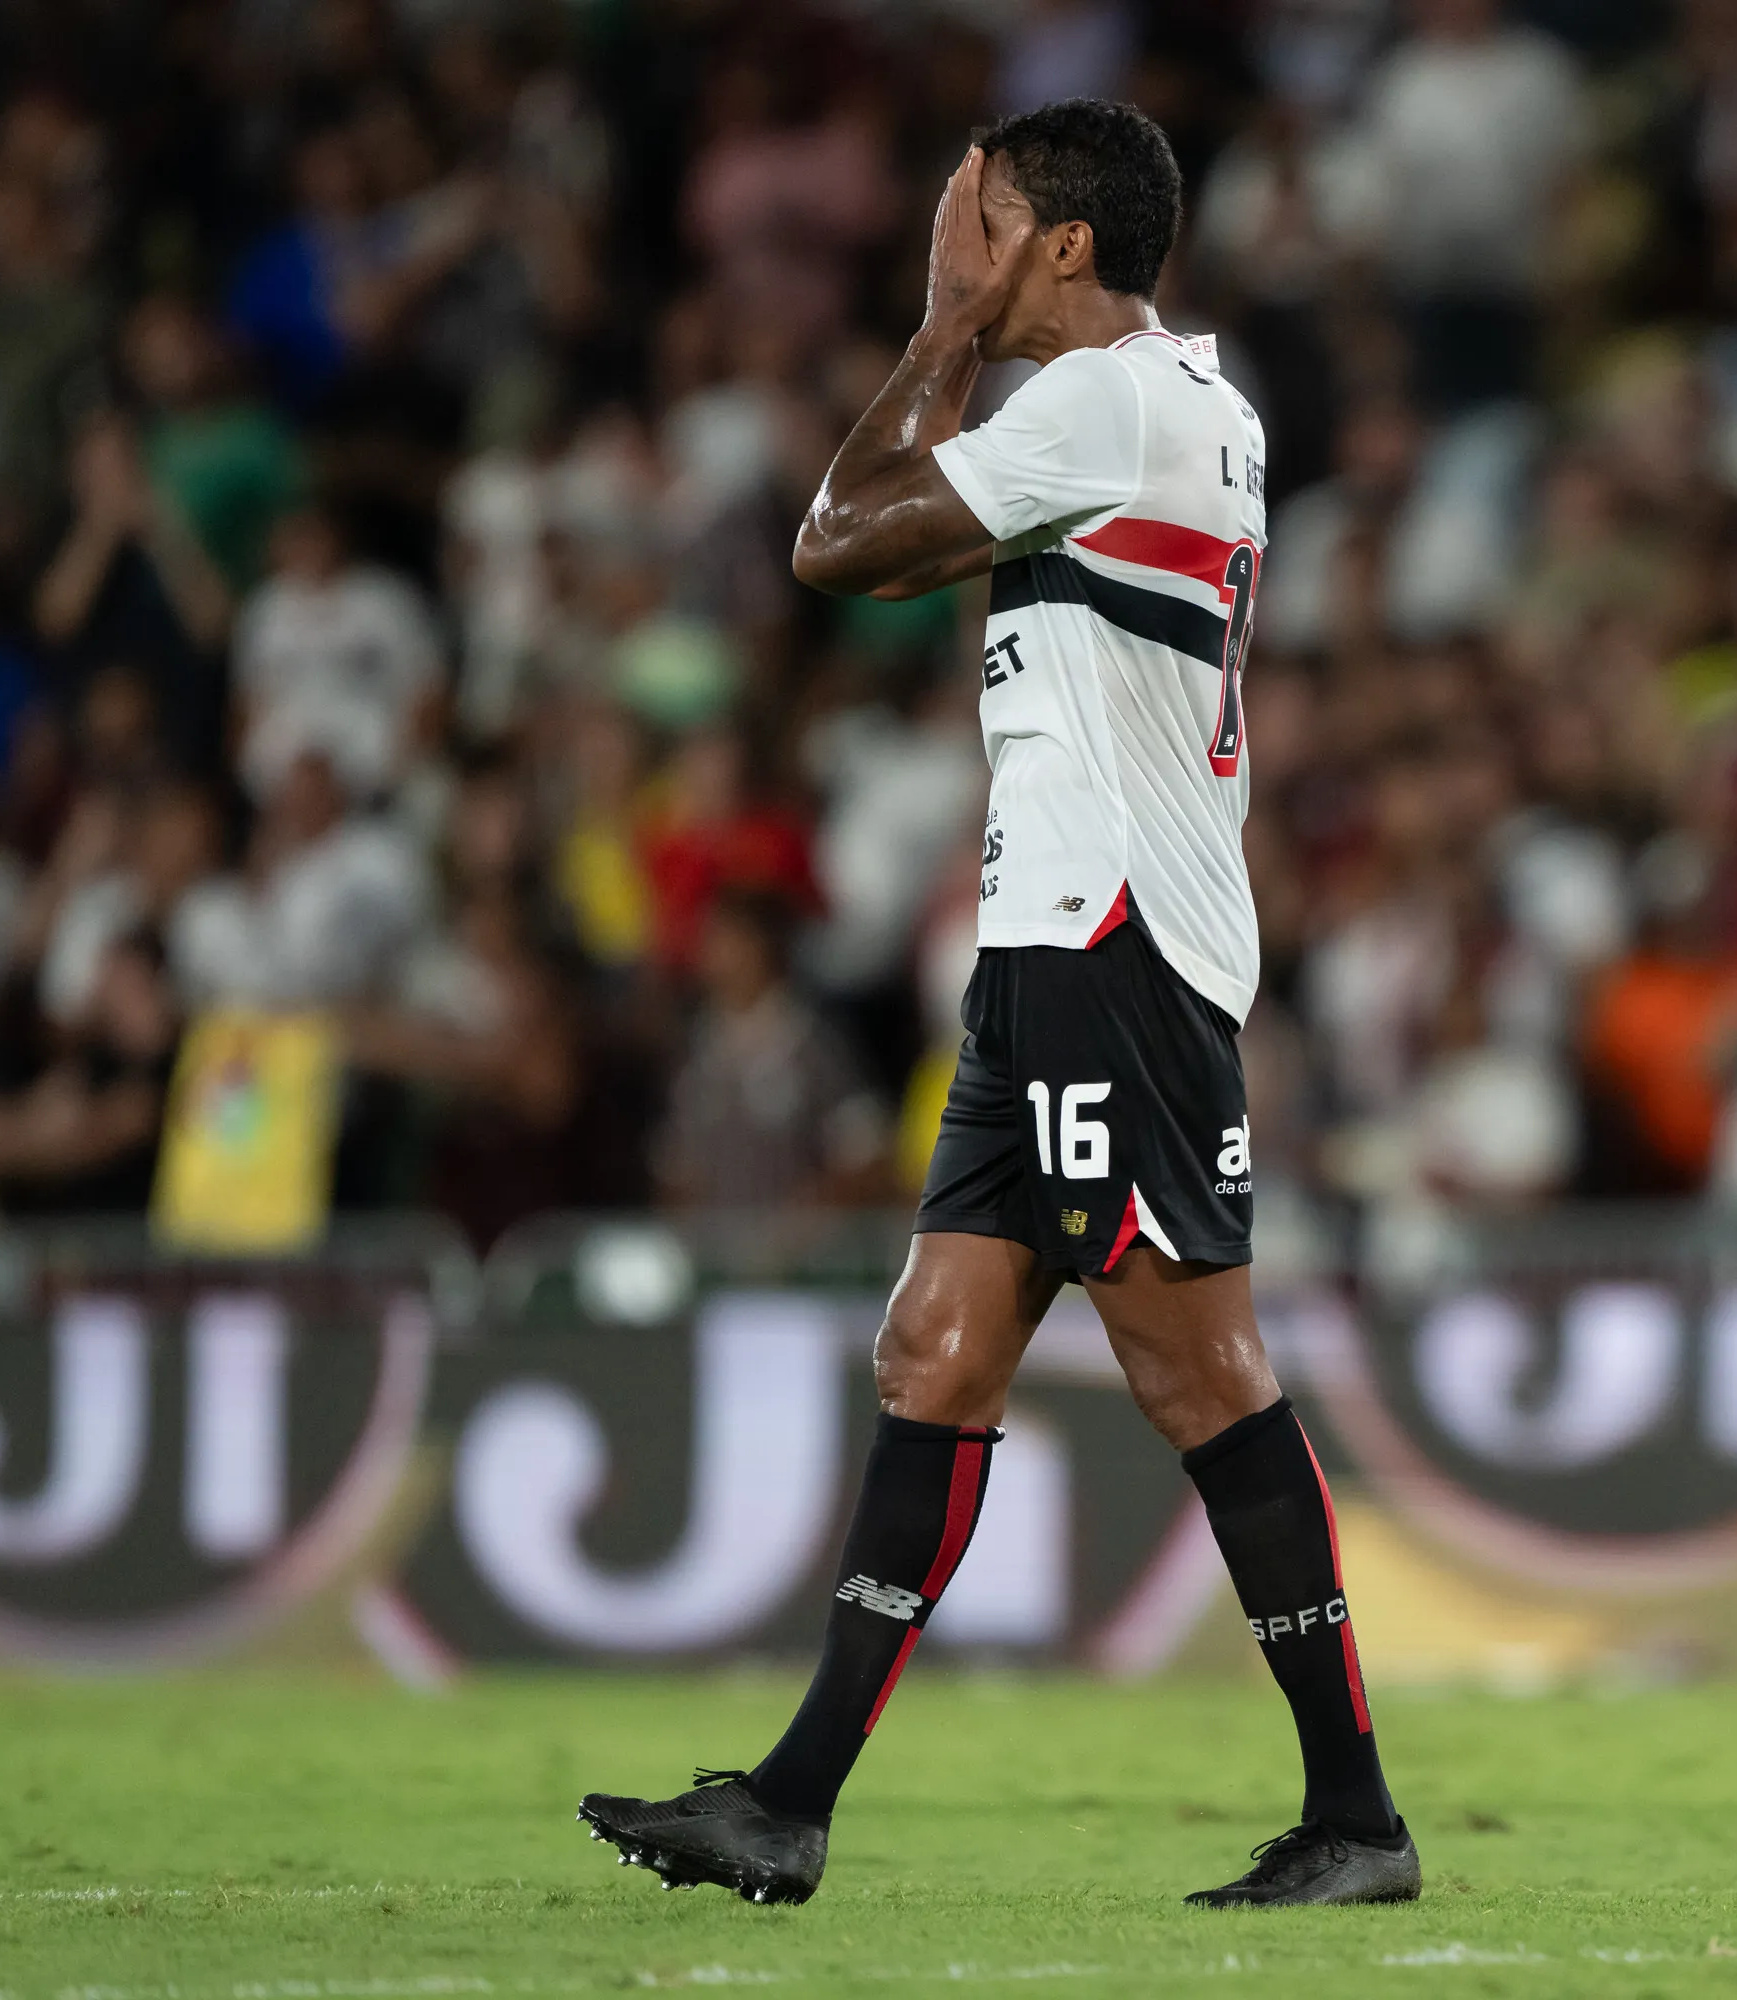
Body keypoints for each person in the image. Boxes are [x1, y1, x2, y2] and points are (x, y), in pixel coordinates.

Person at [576, 101, 1417, 1913]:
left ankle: (1356, 1816)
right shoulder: (1180, 407)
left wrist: (937, 338)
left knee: (1199, 1370)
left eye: (980, 224)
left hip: (1108, 948)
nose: (949, 248)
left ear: (1057, 249)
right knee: (937, 1352)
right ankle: (790, 1804)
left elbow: (833, 539)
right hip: (1062, 944)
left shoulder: (1099, 402)